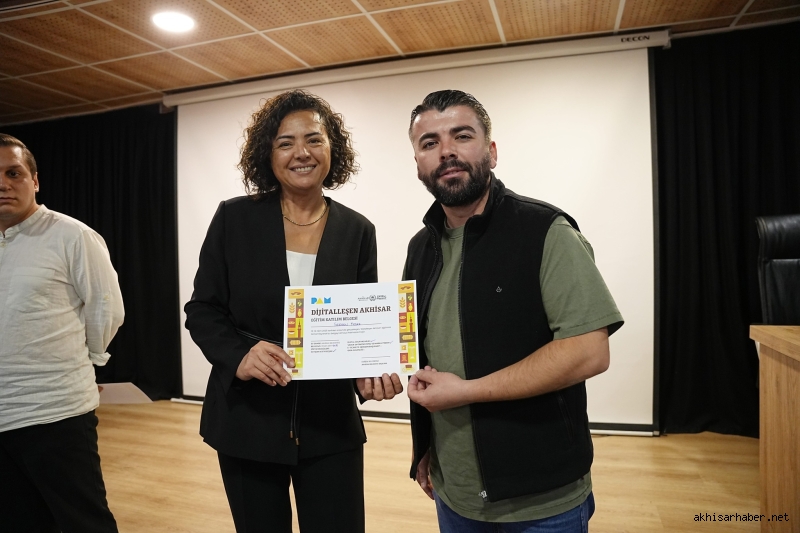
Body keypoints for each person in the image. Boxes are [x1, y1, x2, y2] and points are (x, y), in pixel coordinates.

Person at [403, 90, 624, 532]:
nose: (446, 151)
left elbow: (588, 352)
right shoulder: (420, 247)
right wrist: (425, 446)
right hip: (455, 492)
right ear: (418, 164)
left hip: (542, 500)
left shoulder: (546, 231)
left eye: (461, 135)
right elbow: (422, 352)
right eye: (429, 143)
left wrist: (466, 391)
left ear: (491, 151)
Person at [184, 90, 403, 533]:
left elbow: (361, 322)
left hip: (330, 426)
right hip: (247, 421)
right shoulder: (234, 219)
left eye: (313, 139)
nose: (301, 152)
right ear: (268, 155)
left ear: (332, 149)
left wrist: (370, 374)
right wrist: (240, 355)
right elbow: (202, 309)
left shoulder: (358, 230)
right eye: (285, 142)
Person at [0, 133, 125, 533]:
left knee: (82, 522)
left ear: (35, 180)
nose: (3, 184)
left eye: (13, 173)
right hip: (3, 414)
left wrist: (85, 361)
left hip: (55, 411)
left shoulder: (72, 236)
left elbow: (106, 310)